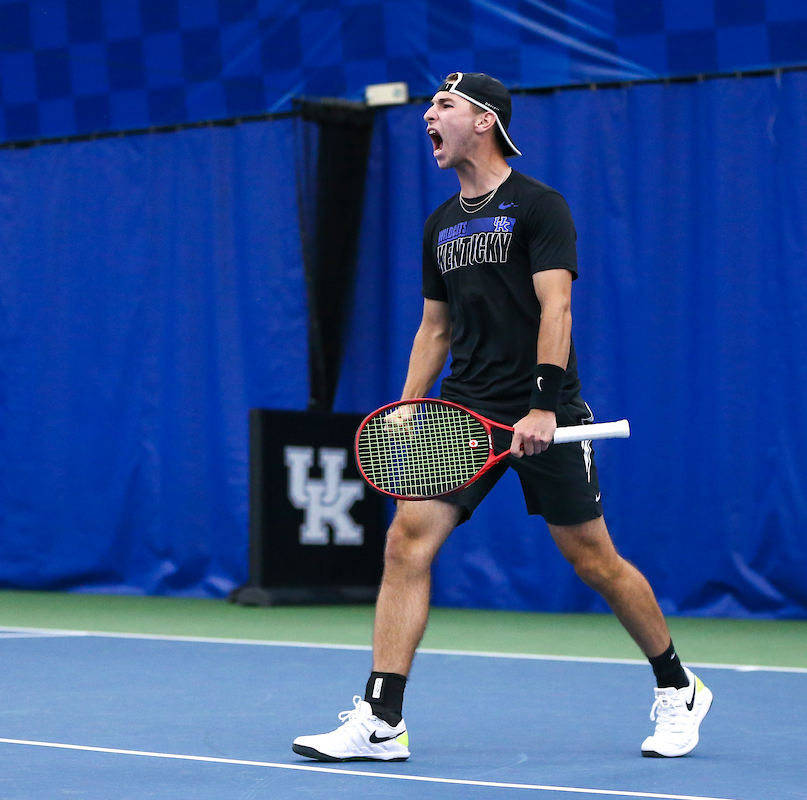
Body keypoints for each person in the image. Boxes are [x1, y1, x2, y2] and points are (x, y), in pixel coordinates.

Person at [292, 72, 711, 762]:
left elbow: (557, 310)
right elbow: (435, 330)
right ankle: (381, 719)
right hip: (464, 406)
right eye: (429, 105)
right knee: (406, 542)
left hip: (544, 406)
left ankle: (678, 686)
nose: (428, 115)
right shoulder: (439, 224)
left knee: (594, 561)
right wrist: (407, 408)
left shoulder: (540, 207)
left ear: (483, 120)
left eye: (443, 105)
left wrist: (544, 405)